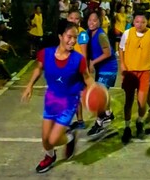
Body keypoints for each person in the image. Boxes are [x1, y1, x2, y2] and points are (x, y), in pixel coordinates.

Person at [21, 20, 95, 173]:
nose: (73, 41)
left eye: (75, 37)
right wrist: (29, 85)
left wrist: (95, 91)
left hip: (69, 101)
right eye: (69, 37)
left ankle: (69, 138)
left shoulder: (78, 60)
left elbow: (87, 78)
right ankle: (50, 155)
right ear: (60, 36)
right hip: (51, 99)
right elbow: (38, 68)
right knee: (46, 141)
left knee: (54, 139)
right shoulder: (46, 54)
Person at [119, 11, 150, 144]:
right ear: (133, 22)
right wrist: (122, 64)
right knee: (128, 101)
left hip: (145, 71)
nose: (140, 24)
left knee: (142, 102)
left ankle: (139, 122)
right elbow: (121, 48)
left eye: (143, 22)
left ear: (147, 22)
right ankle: (127, 127)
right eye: (137, 21)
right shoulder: (127, 33)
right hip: (130, 71)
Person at [85, 10, 118, 137]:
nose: (91, 23)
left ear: (100, 22)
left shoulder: (101, 35)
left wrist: (92, 63)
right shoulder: (88, 33)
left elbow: (108, 53)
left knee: (99, 95)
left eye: (94, 20)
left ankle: (99, 122)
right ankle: (108, 113)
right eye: (90, 20)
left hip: (109, 68)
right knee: (103, 92)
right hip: (101, 67)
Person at [67, 9, 89, 129]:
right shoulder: (64, 32)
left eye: (76, 18)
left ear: (80, 20)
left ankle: (79, 121)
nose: (74, 20)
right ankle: (76, 121)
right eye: (71, 18)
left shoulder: (83, 33)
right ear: (67, 18)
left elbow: (84, 54)